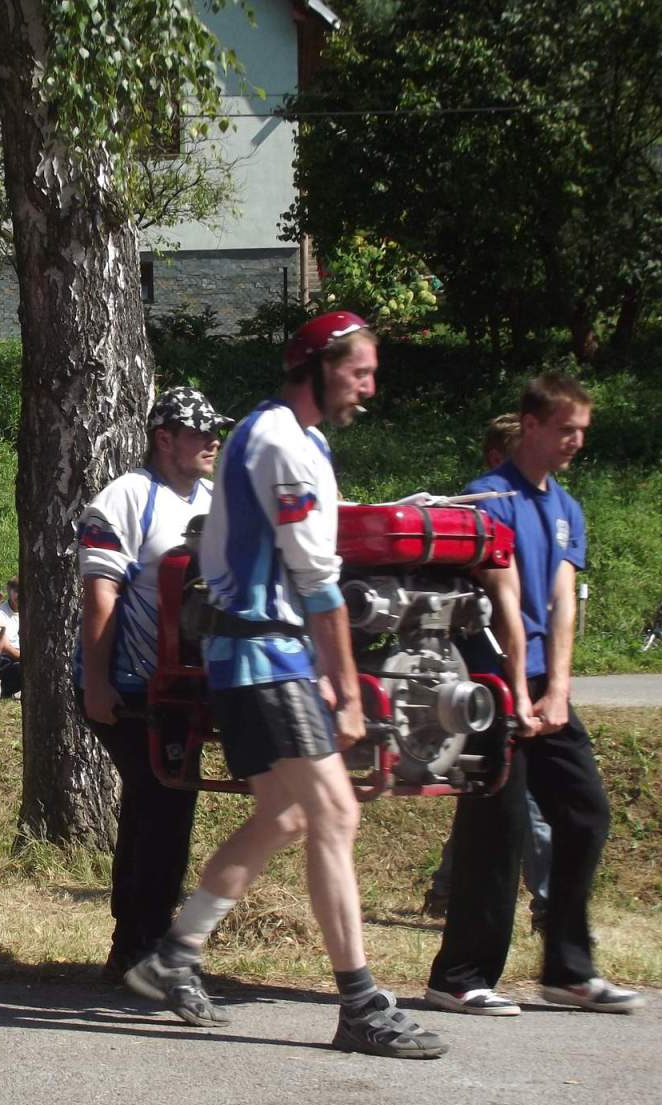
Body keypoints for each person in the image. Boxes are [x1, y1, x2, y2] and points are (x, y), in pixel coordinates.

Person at [126, 312, 448, 1059]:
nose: (368, 386)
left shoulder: (299, 440)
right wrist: (346, 689)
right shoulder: (280, 442)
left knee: (288, 814)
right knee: (335, 812)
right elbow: (318, 581)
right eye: (359, 371)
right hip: (266, 660)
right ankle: (360, 1005)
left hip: (256, 658)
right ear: (319, 367)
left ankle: (176, 953)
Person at [425, 375, 643, 1016]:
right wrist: (518, 694)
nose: (576, 441)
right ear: (532, 425)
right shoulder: (488, 499)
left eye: (582, 431)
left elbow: (561, 602)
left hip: (545, 684)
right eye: (566, 429)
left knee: (584, 812)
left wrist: (559, 691)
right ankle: (459, 977)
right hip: (492, 680)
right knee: (500, 825)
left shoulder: (567, 507)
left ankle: (568, 972)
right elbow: (506, 601)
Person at [77, 386, 229, 983]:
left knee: (165, 804)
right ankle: (139, 946)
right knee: (159, 802)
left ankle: (143, 943)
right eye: (200, 432)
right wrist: (96, 683)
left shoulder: (214, 501)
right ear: (164, 439)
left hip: (185, 688)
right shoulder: (125, 498)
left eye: (216, 430)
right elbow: (100, 598)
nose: (213, 440)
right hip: (130, 686)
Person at [422, 413, 552, 932]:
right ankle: (549, 902)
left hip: (522, 670)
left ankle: (446, 885)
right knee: (518, 792)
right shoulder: (479, 519)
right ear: (498, 459)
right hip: (490, 674)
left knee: (494, 788)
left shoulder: (535, 515)